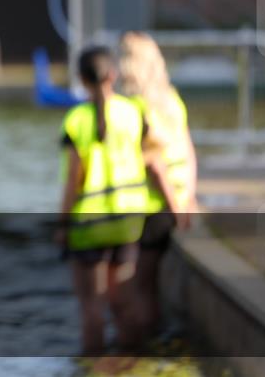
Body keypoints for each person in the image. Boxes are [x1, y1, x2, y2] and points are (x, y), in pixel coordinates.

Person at [57, 46, 178, 355]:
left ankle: (94, 367)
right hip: (127, 222)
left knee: (92, 308)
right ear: (114, 75)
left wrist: (62, 225)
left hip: (88, 225)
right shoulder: (133, 112)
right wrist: (177, 207)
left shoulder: (76, 120)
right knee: (125, 302)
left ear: (81, 79)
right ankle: (132, 363)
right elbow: (155, 162)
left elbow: (74, 181)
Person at [118, 31, 197, 336]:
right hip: (178, 198)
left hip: (155, 207)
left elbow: (154, 163)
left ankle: (142, 348)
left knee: (141, 286)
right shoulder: (172, 99)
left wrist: (175, 207)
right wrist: (188, 196)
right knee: (149, 285)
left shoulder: (135, 107)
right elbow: (188, 150)